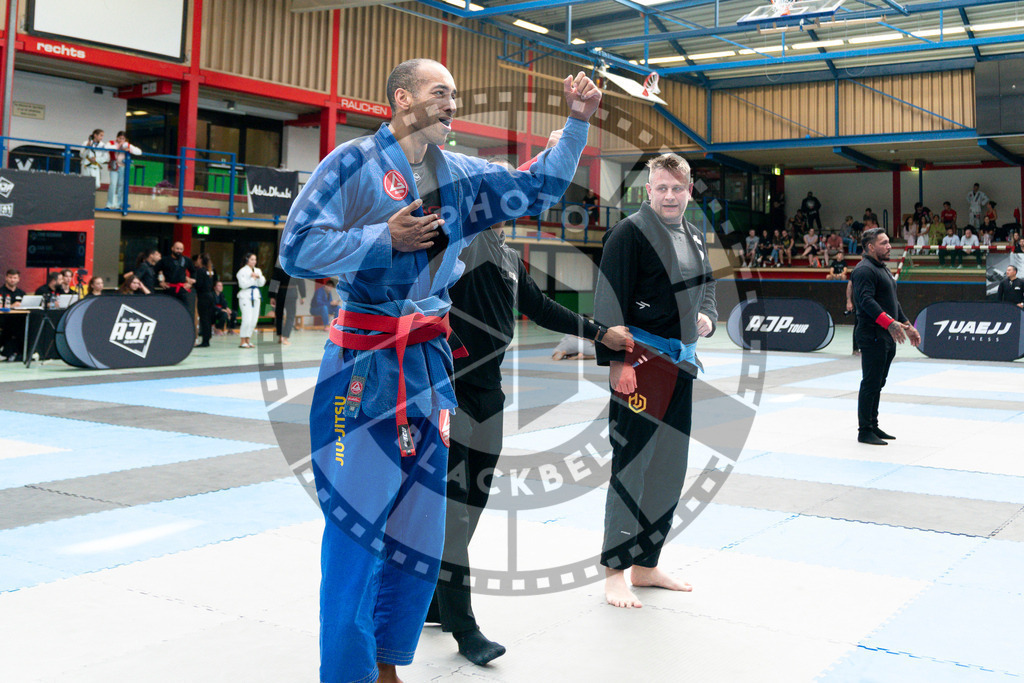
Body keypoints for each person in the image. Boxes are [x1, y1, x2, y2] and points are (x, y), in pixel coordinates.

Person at [279, 56, 600, 683]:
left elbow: (537, 186)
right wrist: (382, 238)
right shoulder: (350, 164)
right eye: (439, 91)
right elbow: (296, 248)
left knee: (419, 531)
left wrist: (577, 122)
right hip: (364, 364)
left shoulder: (462, 174)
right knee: (356, 532)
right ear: (402, 98)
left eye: (455, 93)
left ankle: (387, 663)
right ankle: (346, 673)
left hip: (429, 365)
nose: (452, 102)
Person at [429, 159, 632, 664]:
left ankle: (437, 599)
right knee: (454, 513)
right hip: (446, 393)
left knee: (472, 506)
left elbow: (541, 309)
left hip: (489, 397)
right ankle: (465, 629)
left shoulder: (508, 257)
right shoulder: (458, 241)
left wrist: (600, 334)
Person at [594, 152, 716, 609]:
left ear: (689, 190)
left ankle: (646, 565)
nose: (669, 196)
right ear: (648, 191)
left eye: (677, 188)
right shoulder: (628, 233)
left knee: (669, 466)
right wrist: (617, 362)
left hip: (681, 365)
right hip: (640, 362)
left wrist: (707, 316)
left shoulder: (695, 236)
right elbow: (609, 299)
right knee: (632, 465)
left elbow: (707, 287)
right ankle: (614, 572)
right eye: (661, 188)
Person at [851, 228, 920, 446]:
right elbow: (866, 301)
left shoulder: (882, 269)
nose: (889, 246)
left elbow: (893, 303)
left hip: (887, 335)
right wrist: (889, 323)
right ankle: (864, 430)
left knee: (879, 382)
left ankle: (873, 425)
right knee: (871, 382)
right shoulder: (864, 270)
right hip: (872, 334)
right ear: (871, 247)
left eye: (889, 242)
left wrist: (908, 326)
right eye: (884, 243)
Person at [269, 261, 307, 345]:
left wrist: (272, 296)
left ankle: (280, 336)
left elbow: (274, 281)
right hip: (291, 293)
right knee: (290, 316)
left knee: (279, 315)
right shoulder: (296, 268)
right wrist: (303, 296)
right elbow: (301, 282)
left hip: (281, 293)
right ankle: (285, 338)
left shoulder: (280, 267)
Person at [157, 241, 197, 317]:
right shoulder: (165, 260)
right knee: (167, 310)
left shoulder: (186, 260)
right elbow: (156, 271)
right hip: (169, 288)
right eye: (177, 248)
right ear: (172, 248)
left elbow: (193, 271)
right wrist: (161, 281)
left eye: (181, 249)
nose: (179, 251)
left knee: (185, 310)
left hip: (182, 289)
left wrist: (190, 283)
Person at [105, 131, 142, 210]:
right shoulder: (112, 143)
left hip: (123, 167)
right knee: (113, 184)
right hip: (114, 166)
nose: (121, 140)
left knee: (121, 185)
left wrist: (130, 149)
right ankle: (109, 204)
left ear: (125, 139)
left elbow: (139, 152)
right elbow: (106, 147)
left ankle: (119, 205)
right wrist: (118, 146)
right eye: (119, 138)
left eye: (123, 139)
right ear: (117, 138)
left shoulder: (126, 144)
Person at [235, 252, 265, 349]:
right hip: (245, 296)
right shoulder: (242, 271)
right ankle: (242, 340)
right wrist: (252, 278)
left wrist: (258, 277)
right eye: (252, 259)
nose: (254, 261)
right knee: (247, 319)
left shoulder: (258, 270)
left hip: (256, 296)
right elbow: (242, 285)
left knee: (254, 320)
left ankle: (248, 339)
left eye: (255, 259)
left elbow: (262, 283)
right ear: (247, 260)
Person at [0, 269, 26, 362]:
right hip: (4, 319)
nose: (12, 280)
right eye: (10, 277)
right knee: (13, 327)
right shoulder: (1, 291)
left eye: (15, 278)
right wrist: (12, 306)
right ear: (6, 278)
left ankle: (22, 352)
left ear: (18, 279)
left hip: (19, 319)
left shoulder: (21, 293)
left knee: (24, 326)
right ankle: (6, 351)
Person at [193, 253, 217, 347]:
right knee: (208, 318)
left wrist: (192, 283)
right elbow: (214, 282)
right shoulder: (211, 270)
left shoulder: (201, 271)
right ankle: (207, 337)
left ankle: (205, 341)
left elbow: (199, 284)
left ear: (200, 260)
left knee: (204, 318)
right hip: (211, 295)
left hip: (203, 296)